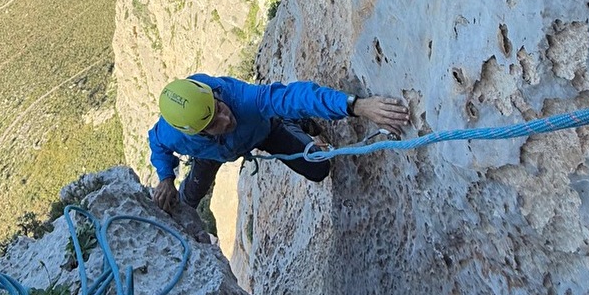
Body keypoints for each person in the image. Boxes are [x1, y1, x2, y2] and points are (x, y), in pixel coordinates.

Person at [150, 74, 410, 212]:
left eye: (219, 107)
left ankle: (290, 121)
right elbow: (158, 143)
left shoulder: (243, 101)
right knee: (187, 202)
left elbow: (295, 95)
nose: (226, 118)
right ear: (195, 133)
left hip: (263, 131)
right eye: (213, 123)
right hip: (211, 153)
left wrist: (358, 106)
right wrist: (165, 177)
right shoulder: (174, 135)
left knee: (318, 169)